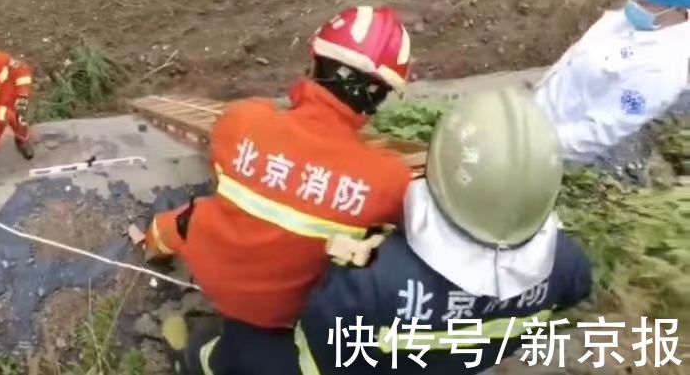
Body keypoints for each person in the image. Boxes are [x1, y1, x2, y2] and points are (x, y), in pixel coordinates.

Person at [175, 86, 595, 375]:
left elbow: (318, 346)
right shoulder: (568, 266)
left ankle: (202, 360)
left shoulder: (372, 279)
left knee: (243, 340)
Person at [142, 6, 417, 333]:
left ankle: (151, 247)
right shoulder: (388, 180)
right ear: (379, 97)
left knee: (189, 217)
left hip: (215, 280)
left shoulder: (244, 120)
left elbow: (229, 165)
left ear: (314, 61)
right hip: (294, 313)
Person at [532, 0, 690, 181]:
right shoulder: (638, 19)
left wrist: (527, 146)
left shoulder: (659, 72)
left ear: (679, 10)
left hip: (548, 154)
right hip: (534, 115)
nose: (634, 2)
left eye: (645, 1)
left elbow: (597, 132)